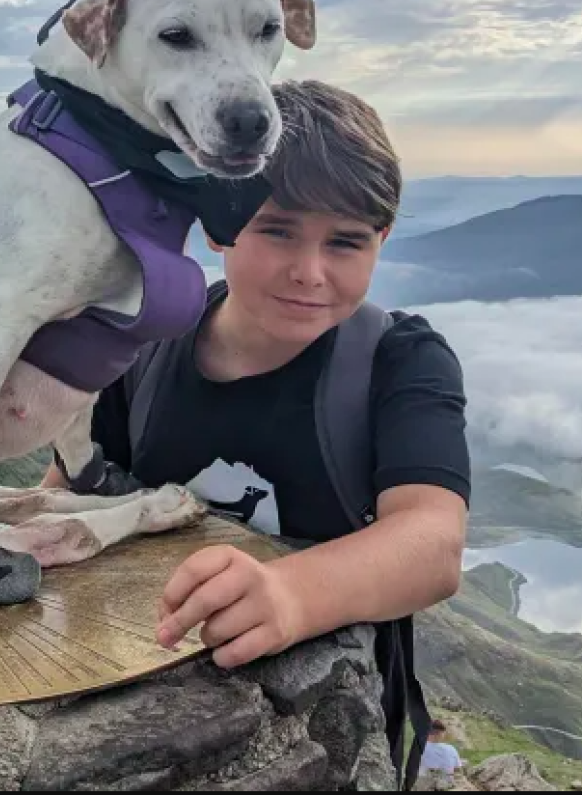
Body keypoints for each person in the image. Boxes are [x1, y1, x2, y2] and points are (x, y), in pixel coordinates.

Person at [40, 78, 471, 789]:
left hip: (331, 734)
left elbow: (432, 543)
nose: (310, 272)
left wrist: (291, 593)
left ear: (382, 240)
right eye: (277, 230)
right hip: (143, 720)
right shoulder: (140, 350)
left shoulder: (399, 360)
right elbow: (67, 498)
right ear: (218, 221)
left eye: (346, 243)